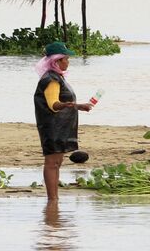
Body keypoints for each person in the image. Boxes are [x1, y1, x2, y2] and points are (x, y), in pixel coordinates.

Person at [33, 41, 92, 201]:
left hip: (60, 126)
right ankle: (52, 200)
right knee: (52, 163)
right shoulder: (51, 80)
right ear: (57, 61)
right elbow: (54, 105)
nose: (68, 61)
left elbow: (63, 102)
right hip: (53, 127)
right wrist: (70, 105)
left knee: (56, 162)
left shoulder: (57, 77)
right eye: (66, 58)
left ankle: (54, 200)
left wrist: (79, 106)